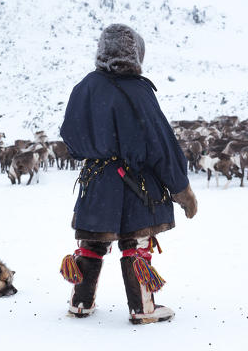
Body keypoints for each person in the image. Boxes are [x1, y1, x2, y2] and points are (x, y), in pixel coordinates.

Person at [59, 23, 197, 324]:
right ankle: (143, 307)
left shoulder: (84, 87)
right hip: (135, 183)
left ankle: (80, 301)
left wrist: (98, 149)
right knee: (136, 242)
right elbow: (161, 143)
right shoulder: (138, 91)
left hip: (95, 180)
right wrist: (181, 188)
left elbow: (69, 135)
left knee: (93, 241)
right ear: (134, 53)